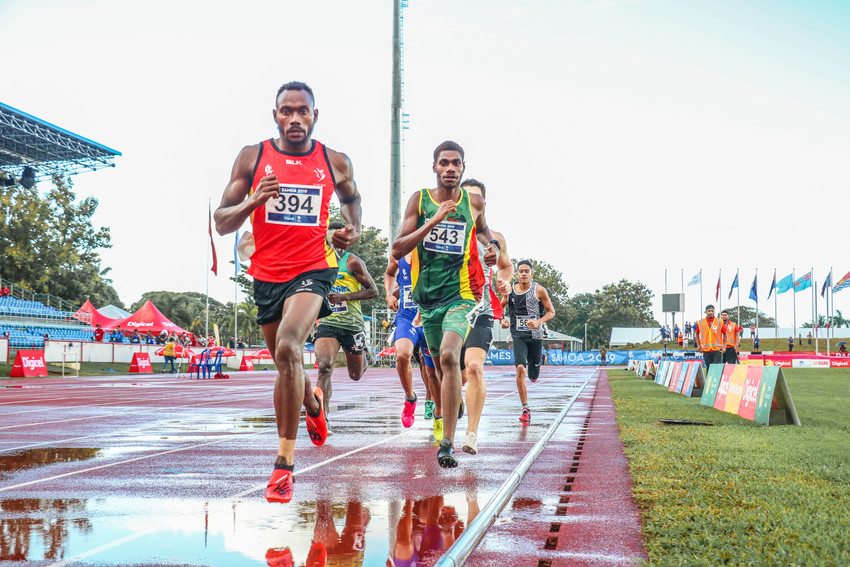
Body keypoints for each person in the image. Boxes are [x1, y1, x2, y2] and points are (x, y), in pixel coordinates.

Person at [214, 81, 362, 503]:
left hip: (314, 268)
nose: (295, 118)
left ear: (316, 115)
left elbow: (353, 198)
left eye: (303, 111)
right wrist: (253, 201)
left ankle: (284, 465)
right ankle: (314, 408)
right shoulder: (253, 157)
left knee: (288, 347)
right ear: (275, 115)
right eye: (286, 111)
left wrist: (353, 227)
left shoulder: (333, 161)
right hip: (265, 274)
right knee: (286, 365)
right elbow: (223, 222)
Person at [391, 140, 497, 468]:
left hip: (462, 296)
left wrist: (491, 247)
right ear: (435, 168)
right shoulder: (419, 201)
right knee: (438, 368)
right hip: (427, 301)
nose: (450, 168)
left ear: (463, 168)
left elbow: (483, 232)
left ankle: (447, 443)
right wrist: (434, 221)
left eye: (456, 163)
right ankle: (452, 406)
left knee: (452, 357)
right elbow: (397, 249)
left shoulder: (474, 202)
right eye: (444, 163)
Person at [457, 178, 513, 456]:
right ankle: (454, 396)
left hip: (480, 311)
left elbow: (506, 266)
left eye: (474, 199)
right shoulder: (447, 231)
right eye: (464, 197)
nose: (469, 203)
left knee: (475, 367)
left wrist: (503, 283)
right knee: (454, 373)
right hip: (449, 309)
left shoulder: (495, 238)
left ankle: (471, 434)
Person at [314, 222, 378, 426]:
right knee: (324, 367)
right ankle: (323, 417)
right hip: (326, 322)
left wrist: (346, 296)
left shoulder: (352, 262)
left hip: (352, 324)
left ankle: (365, 356)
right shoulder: (317, 261)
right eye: (331, 238)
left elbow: (373, 291)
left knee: (356, 376)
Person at [384, 251, 438, 431]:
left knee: (431, 367)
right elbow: (390, 274)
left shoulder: (435, 253)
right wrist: (389, 294)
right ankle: (410, 398)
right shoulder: (398, 255)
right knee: (402, 354)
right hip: (407, 317)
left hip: (430, 317)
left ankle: (435, 406)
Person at [502, 260, 556, 423]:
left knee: (533, 376)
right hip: (518, 335)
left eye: (527, 271)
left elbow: (551, 312)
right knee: (520, 368)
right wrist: (502, 320)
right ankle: (525, 408)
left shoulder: (539, 290)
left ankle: (535, 369)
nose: (524, 273)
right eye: (521, 271)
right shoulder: (509, 290)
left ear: (531, 274)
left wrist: (539, 322)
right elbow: (499, 308)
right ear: (517, 274)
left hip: (535, 336)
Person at [694, 305, 725, 371]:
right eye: (709, 311)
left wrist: (724, 346)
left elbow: (725, 334)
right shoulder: (700, 322)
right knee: (709, 368)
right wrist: (698, 345)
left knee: (716, 368)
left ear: (714, 312)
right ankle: (708, 381)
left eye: (712, 311)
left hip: (717, 349)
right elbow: (697, 334)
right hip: (706, 349)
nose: (710, 312)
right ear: (705, 312)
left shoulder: (720, 321)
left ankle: (716, 381)